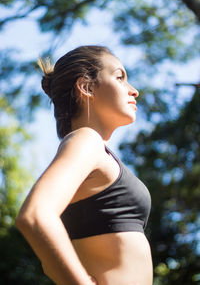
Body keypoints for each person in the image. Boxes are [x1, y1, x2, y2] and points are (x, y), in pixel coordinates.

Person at [16, 45, 153, 285]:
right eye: (120, 77)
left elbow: (49, 264)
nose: (134, 91)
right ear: (86, 87)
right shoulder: (86, 140)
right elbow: (36, 215)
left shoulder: (94, 149)